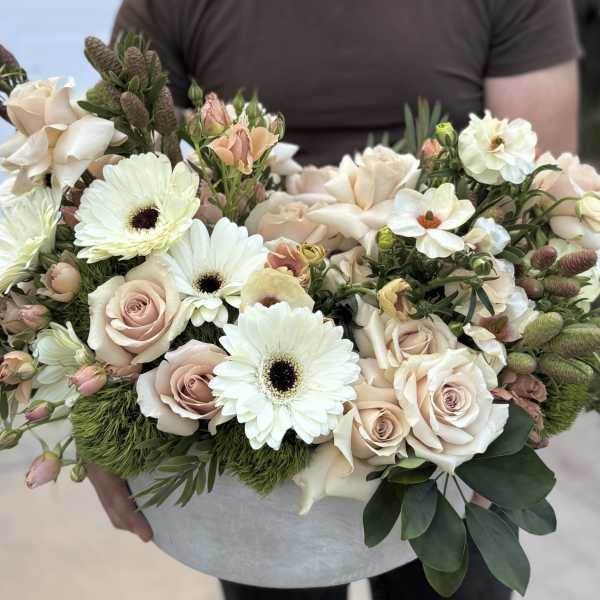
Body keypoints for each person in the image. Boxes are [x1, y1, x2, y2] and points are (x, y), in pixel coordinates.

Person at [88, 1, 582, 598]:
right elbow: (118, 182)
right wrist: (89, 420)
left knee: (457, 578)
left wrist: (520, 409)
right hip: (243, 398)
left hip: (453, 360)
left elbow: (537, 195)